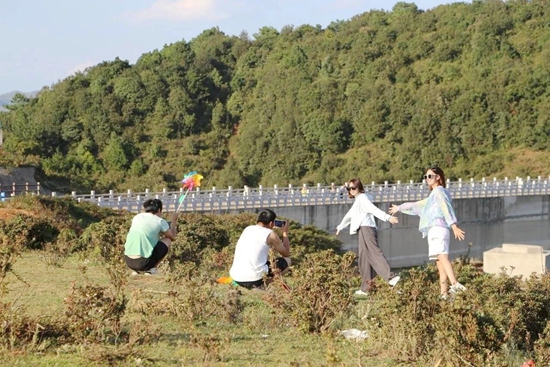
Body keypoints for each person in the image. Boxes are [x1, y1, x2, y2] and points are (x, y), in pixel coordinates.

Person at [389, 166, 466, 298]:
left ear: (438, 177)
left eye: (430, 176)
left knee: (442, 257)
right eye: (426, 177)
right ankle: (443, 294)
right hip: (439, 230)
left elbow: (445, 208)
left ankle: (454, 284)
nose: (427, 179)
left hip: (438, 228)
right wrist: (400, 207)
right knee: (439, 262)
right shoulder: (436, 194)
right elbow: (417, 204)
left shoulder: (438, 193)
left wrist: (453, 226)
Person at [336, 178, 400, 296]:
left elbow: (373, 210)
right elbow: (350, 215)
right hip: (363, 229)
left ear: (359, 188)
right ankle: (367, 288)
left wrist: (387, 217)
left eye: (353, 188)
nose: (351, 190)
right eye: (349, 188)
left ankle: (391, 277)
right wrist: (340, 226)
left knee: (374, 253)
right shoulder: (358, 200)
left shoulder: (363, 198)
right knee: (364, 259)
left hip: (367, 228)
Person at [229, 208, 291, 290]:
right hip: (254, 280)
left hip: (236, 277)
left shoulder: (247, 229)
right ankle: (263, 286)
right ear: (272, 223)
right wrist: (284, 233)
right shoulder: (271, 234)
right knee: (287, 260)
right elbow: (286, 253)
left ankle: (257, 285)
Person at [124, 198, 178, 275]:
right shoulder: (160, 221)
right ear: (159, 210)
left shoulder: (137, 217)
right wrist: (174, 221)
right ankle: (152, 269)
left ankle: (136, 271)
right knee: (167, 240)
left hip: (129, 261)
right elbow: (172, 237)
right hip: (144, 263)